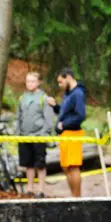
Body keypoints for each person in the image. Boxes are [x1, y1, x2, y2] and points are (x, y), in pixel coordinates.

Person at [47, 67, 87, 197]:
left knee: (73, 166)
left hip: (73, 134)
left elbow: (80, 115)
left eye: (61, 82)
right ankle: (73, 196)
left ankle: (77, 197)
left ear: (68, 77)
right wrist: (55, 107)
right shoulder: (68, 94)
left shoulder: (78, 93)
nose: (60, 85)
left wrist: (64, 124)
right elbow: (66, 113)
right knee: (66, 167)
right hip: (64, 135)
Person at [16, 71, 54, 198]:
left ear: (38, 83)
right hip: (24, 135)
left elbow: (48, 118)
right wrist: (18, 132)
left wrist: (44, 133)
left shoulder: (44, 98)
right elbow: (18, 117)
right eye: (28, 81)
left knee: (40, 164)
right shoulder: (22, 98)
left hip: (39, 136)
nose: (30, 84)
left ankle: (41, 190)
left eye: (32, 81)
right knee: (28, 164)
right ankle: (30, 188)